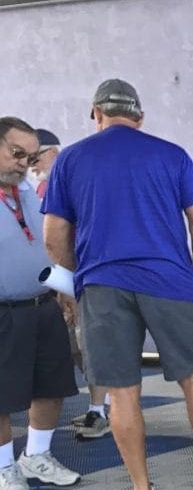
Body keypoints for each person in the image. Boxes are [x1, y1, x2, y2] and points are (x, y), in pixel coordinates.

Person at [42, 79, 193, 490]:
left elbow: (53, 235)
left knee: (122, 392)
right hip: (170, 281)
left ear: (96, 113)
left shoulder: (70, 160)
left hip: (102, 284)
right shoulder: (172, 155)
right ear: (140, 118)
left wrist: (79, 278)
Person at [0, 116, 80, 490]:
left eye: (31, 158)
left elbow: (47, 243)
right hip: (3, 311)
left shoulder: (28, 191)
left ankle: (36, 456)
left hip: (43, 304)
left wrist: (64, 291)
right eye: (17, 153)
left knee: (52, 384)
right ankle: (3, 469)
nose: (24, 164)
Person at [32, 127, 110, 439]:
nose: (31, 165)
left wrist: (71, 283)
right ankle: (100, 405)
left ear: (54, 152)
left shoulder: (74, 183)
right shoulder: (41, 189)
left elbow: (68, 237)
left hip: (81, 274)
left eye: (36, 158)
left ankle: (100, 410)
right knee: (75, 346)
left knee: (91, 343)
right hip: (57, 278)